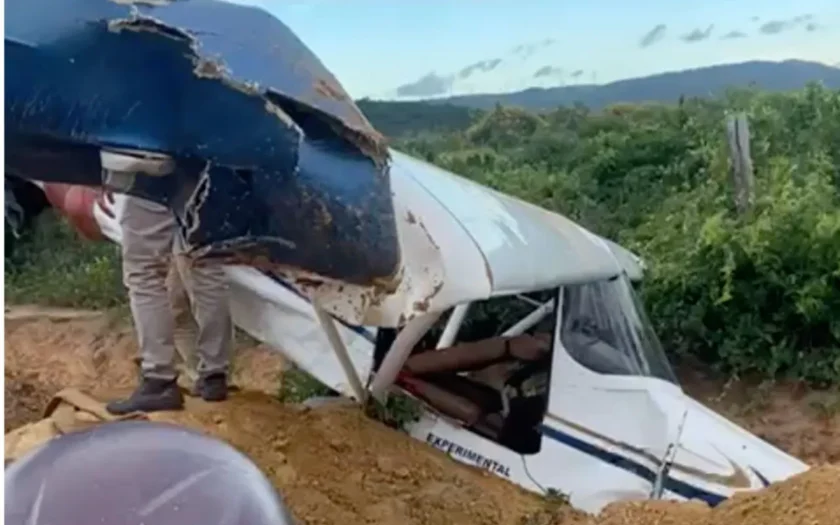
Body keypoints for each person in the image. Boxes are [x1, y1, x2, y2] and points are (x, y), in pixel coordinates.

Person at [101, 193, 234, 414]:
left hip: (146, 169)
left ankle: (158, 379)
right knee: (205, 262)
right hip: (202, 168)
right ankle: (214, 373)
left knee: (144, 272)